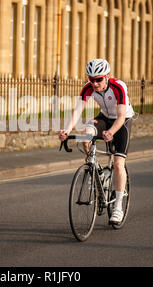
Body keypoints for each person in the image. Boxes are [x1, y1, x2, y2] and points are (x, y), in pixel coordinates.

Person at [58, 59, 134, 224]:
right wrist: (66, 130)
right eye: (91, 79)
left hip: (122, 121)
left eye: (98, 79)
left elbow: (121, 116)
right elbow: (77, 112)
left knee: (118, 163)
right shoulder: (88, 88)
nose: (94, 83)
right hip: (104, 118)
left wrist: (111, 132)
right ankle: (96, 170)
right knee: (86, 134)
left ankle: (118, 208)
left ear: (106, 76)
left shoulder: (118, 87)